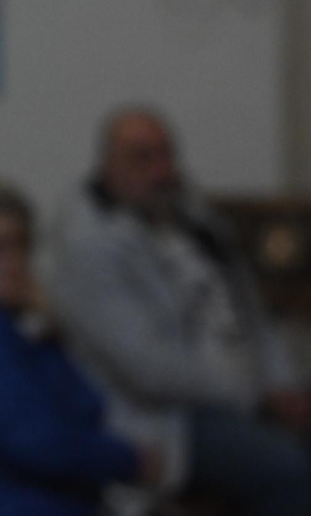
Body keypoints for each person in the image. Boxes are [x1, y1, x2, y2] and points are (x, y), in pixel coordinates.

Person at [50, 108, 311, 516]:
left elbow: (249, 310)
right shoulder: (88, 244)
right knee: (292, 472)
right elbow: (148, 369)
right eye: (143, 157)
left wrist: (281, 381)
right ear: (108, 166)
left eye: (167, 155)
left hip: (239, 397)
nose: (161, 170)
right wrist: (254, 392)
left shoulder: (192, 215)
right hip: (169, 421)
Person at [0, 179, 163, 516]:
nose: (11, 263)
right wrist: (131, 461)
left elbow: (87, 404)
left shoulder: (9, 325)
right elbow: (39, 445)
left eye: (20, 244)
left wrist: (50, 332)